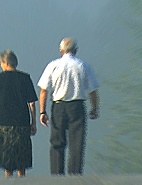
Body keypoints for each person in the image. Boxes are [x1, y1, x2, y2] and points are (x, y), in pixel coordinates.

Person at [37, 38, 100, 175]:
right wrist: (95, 108)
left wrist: (42, 111)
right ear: (76, 50)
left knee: (57, 142)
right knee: (76, 144)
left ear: (61, 51)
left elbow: (44, 90)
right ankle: (74, 176)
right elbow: (93, 90)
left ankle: (56, 174)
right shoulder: (83, 66)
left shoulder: (53, 65)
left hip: (59, 106)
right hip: (77, 106)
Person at [0, 50, 38, 178]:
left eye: (1, 63)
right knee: (22, 154)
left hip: (4, 121)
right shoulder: (25, 78)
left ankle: (8, 178)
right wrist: (33, 123)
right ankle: (22, 178)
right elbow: (32, 103)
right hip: (22, 121)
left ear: (6, 63)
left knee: (5, 154)